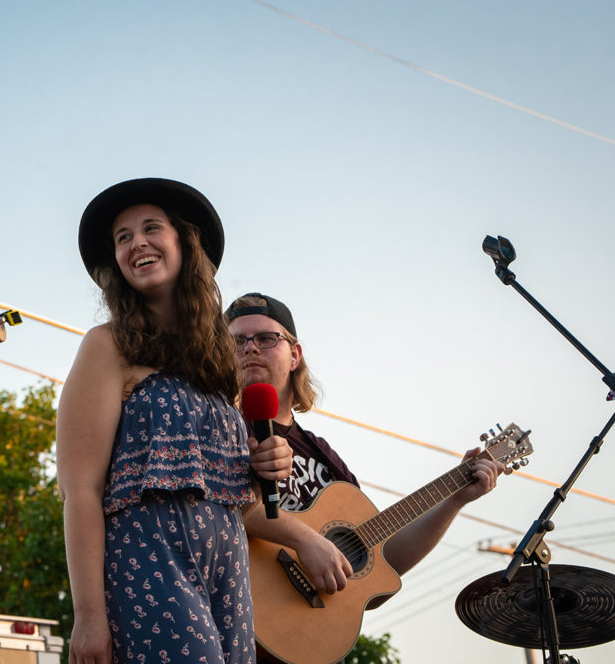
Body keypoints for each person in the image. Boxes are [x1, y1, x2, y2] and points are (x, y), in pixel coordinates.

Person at [57, 179, 294, 663]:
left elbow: (227, 489)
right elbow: (79, 491)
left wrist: (263, 463)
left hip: (229, 569)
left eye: (150, 228)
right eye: (122, 237)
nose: (136, 242)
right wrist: (88, 614)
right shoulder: (106, 346)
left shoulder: (218, 367)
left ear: (185, 243)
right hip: (150, 560)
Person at [226, 292, 508, 594]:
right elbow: (216, 500)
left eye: (266, 338)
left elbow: (380, 560)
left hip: (299, 626)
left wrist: (454, 499)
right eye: (237, 342)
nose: (250, 348)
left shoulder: (321, 453)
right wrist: (305, 539)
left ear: (295, 355)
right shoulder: (215, 427)